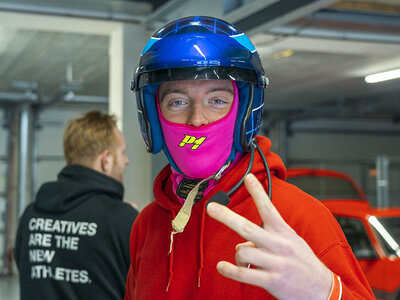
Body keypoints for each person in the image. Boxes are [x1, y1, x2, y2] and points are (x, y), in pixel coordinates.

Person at [125, 16, 374, 299]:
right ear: (154, 117)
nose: (196, 119)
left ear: (245, 114)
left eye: (217, 101)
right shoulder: (147, 225)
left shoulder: (299, 217)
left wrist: (325, 292)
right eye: (177, 102)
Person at [14, 111, 138, 300]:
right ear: (106, 160)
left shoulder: (31, 215)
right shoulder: (124, 220)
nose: (126, 160)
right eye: (122, 153)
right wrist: (133, 223)